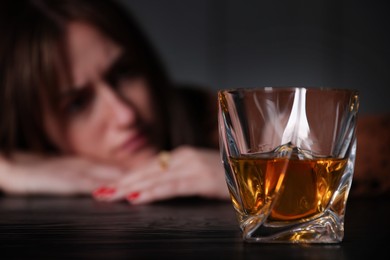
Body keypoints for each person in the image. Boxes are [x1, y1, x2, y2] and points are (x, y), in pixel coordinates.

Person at [0, 0, 388, 205]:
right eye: (77, 104)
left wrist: (247, 181)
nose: (125, 114)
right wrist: (12, 170)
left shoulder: (212, 118)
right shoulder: (22, 156)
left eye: (124, 73)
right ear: (32, 127)